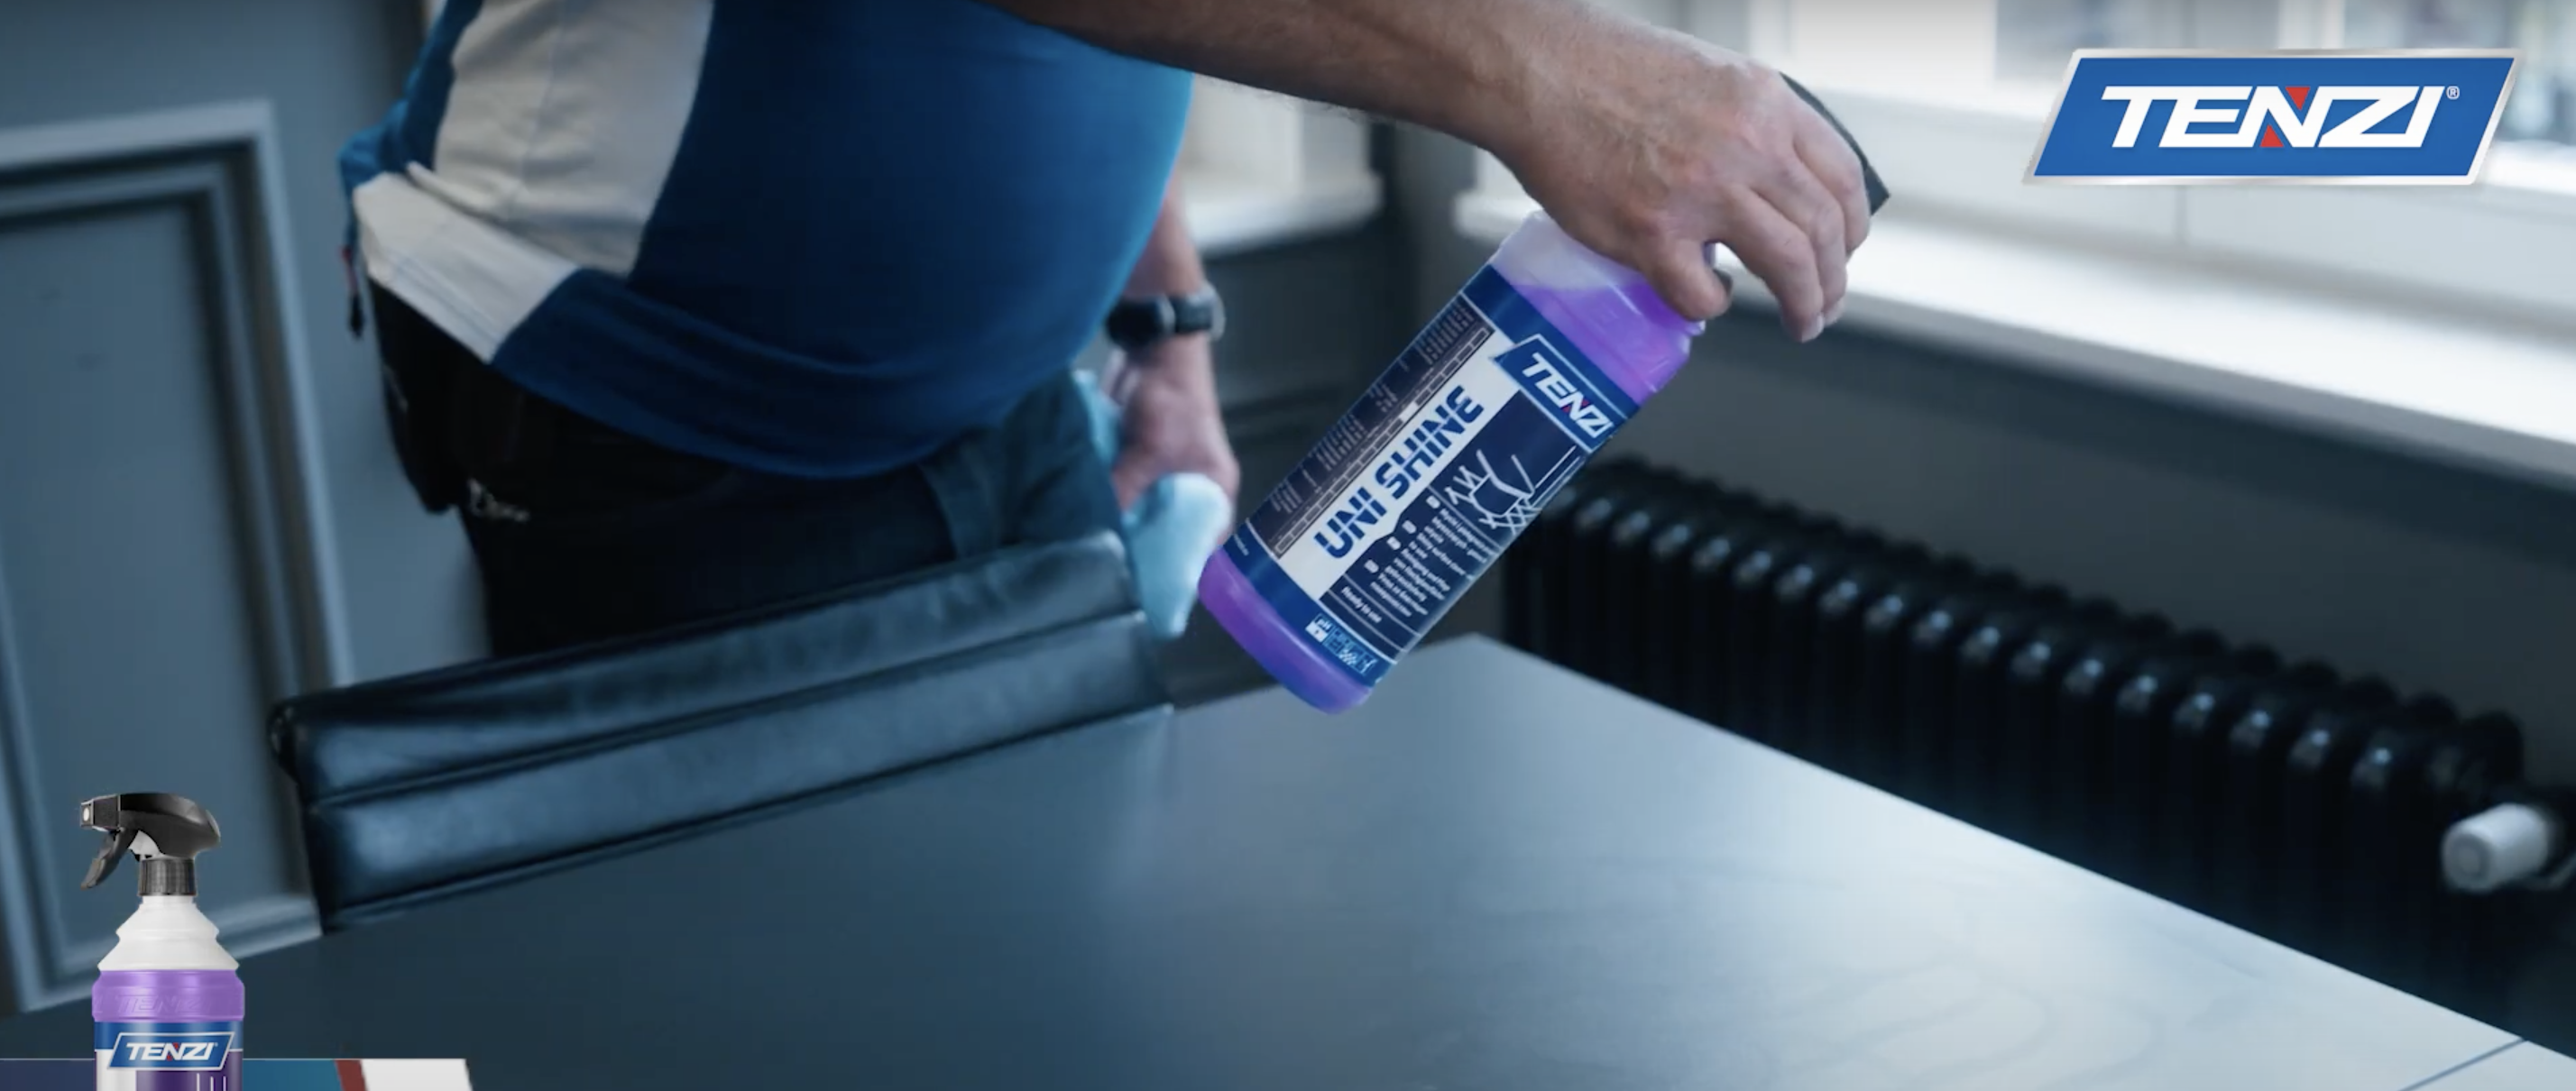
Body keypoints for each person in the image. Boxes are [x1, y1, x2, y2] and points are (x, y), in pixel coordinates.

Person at [342, 0, 1872, 657]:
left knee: (1050, 979)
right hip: (669, 397)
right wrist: (1548, 70)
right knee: (764, 1076)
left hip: (1021, 396)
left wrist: (1167, 320)